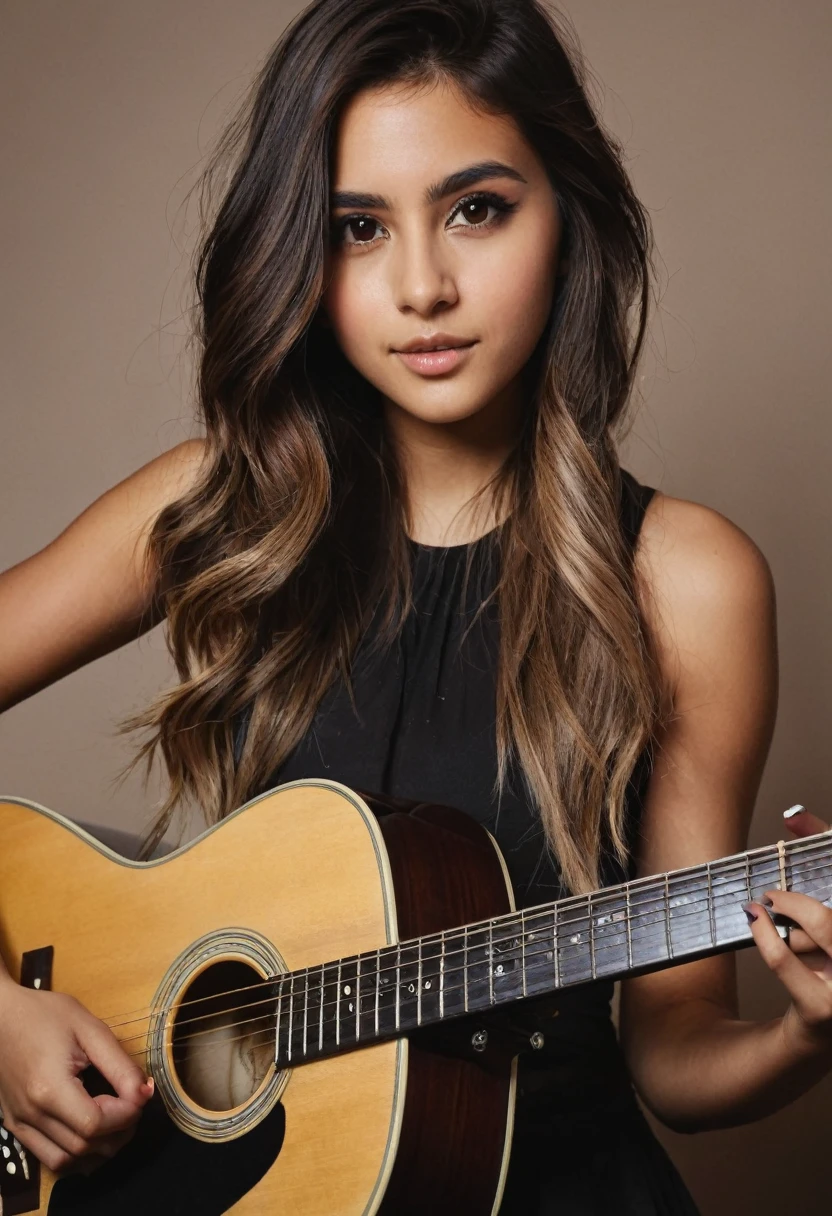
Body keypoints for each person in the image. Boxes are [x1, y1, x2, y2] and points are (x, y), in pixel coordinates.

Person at [1, 1, 831, 1211]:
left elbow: (673, 1047)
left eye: (476, 209)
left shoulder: (685, 576)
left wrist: (805, 1035)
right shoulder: (212, 507)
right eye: (356, 228)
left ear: (567, 218)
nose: (422, 285)